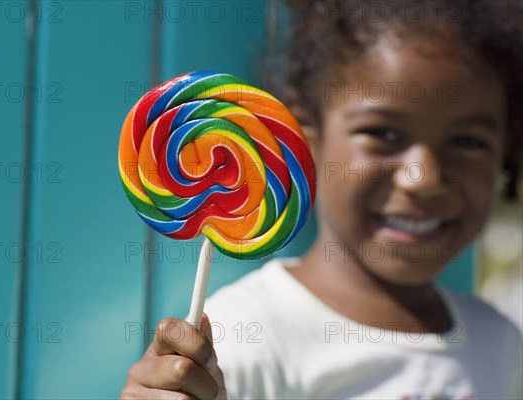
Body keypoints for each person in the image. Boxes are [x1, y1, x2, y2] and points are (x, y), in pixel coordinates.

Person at [121, 0, 523, 398]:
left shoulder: (502, 344)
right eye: (382, 134)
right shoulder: (239, 340)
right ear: (303, 132)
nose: (424, 179)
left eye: (467, 141)